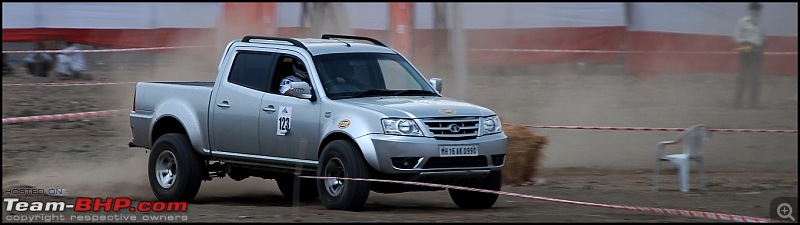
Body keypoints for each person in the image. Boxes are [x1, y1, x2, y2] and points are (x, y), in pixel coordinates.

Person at [732, 2, 766, 109]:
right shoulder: (743, 22)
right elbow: (736, 36)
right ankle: (737, 102)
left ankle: (753, 103)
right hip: (746, 52)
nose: (757, 13)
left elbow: (762, 38)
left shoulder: (760, 24)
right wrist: (745, 43)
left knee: (756, 78)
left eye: (758, 11)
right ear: (751, 11)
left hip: (757, 53)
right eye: (755, 10)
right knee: (744, 77)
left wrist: (763, 42)